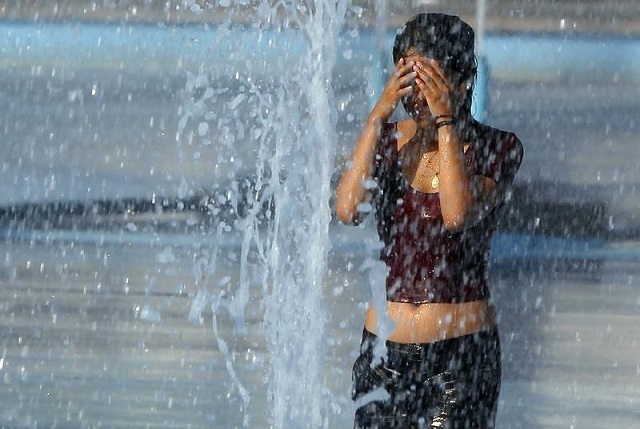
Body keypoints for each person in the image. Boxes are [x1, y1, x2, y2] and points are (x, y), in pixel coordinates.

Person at [335, 13, 524, 428]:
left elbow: (456, 214)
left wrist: (445, 123)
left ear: (462, 81)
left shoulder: (498, 148)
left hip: (458, 359)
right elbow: (347, 209)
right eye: (410, 83)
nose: (418, 98)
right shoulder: (386, 143)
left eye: (431, 84)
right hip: (382, 357)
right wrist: (376, 116)